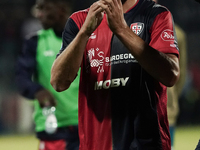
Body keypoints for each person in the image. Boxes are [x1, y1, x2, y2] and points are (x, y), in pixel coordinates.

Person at [51, 0, 180, 149]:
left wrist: (121, 29)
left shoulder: (156, 15)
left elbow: (170, 75)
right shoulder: (79, 21)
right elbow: (58, 82)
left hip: (146, 144)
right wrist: (84, 33)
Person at [16, 0, 80, 150]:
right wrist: (37, 91)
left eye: (44, 8)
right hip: (54, 127)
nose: (38, 15)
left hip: (88, 124)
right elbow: (21, 77)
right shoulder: (35, 42)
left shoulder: (86, 38)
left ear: (62, 9)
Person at [152, 1, 187, 149]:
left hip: (166, 111)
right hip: (136, 110)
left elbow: (181, 71)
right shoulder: (127, 27)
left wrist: (171, 97)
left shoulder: (177, 32)